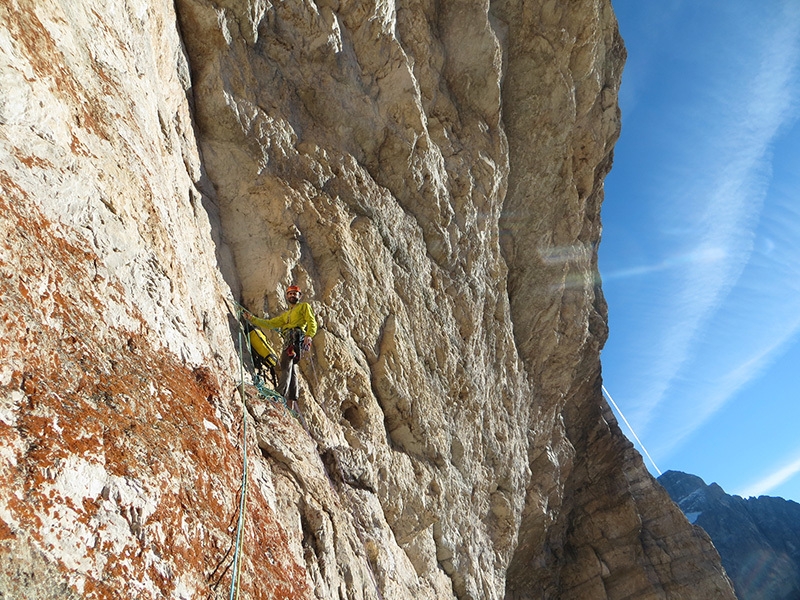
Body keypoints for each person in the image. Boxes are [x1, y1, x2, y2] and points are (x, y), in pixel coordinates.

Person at [245, 285, 317, 410]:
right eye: (290, 294)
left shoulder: (304, 307)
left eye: (295, 294)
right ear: (287, 296)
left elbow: (312, 321)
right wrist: (253, 319)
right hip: (290, 338)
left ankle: (280, 395)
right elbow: (270, 323)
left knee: (286, 364)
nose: (292, 295)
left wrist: (309, 335)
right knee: (292, 368)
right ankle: (291, 401)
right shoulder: (286, 315)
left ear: (299, 296)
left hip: (295, 337)